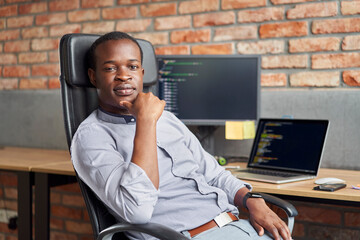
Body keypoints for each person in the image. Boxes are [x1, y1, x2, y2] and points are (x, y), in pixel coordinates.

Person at [71, 31, 292, 240]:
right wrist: (145, 122)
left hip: (237, 226)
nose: (123, 76)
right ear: (93, 77)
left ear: (142, 73)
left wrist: (251, 199)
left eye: (132, 66)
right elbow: (137, 211)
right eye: (110, 69)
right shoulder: (92, 137)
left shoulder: (167, 119)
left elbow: (213, 173)